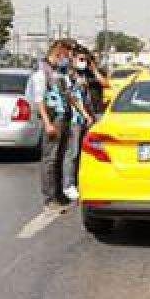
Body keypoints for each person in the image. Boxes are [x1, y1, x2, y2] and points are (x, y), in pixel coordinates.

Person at [30, 39, 72, 211]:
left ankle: (58, 194)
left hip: (63, 117)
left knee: (59, 158)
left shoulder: (57, 73)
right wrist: (47, 123)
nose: (68, 59)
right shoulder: (42, 74)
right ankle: (49, 199)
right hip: (53, 119)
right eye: (66, 55)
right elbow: (39, 100)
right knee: (50, 159)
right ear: (58, 53)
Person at [62, 47, 96, 203]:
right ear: (73, 59)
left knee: (82, 153)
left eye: (86, 60)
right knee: (73, 153)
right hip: (75, 119)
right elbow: (73, 98)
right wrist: (85, 114)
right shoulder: (68, 76)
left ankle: (77, 182)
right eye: (81, 60)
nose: (84, 63)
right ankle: (68, 185)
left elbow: (86, 98)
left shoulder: (83, 76)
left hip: (85, 119)